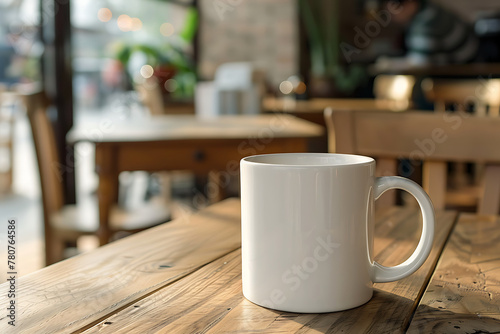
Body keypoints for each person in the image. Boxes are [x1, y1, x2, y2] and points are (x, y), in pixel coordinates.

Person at [390, 0, 479, 65]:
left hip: (465, 71)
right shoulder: (429, 9)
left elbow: (420, 64)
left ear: (410, 4)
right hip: (464, 65)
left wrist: (388, 65)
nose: (392, 16)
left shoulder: (426, 22)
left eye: (394, 10)